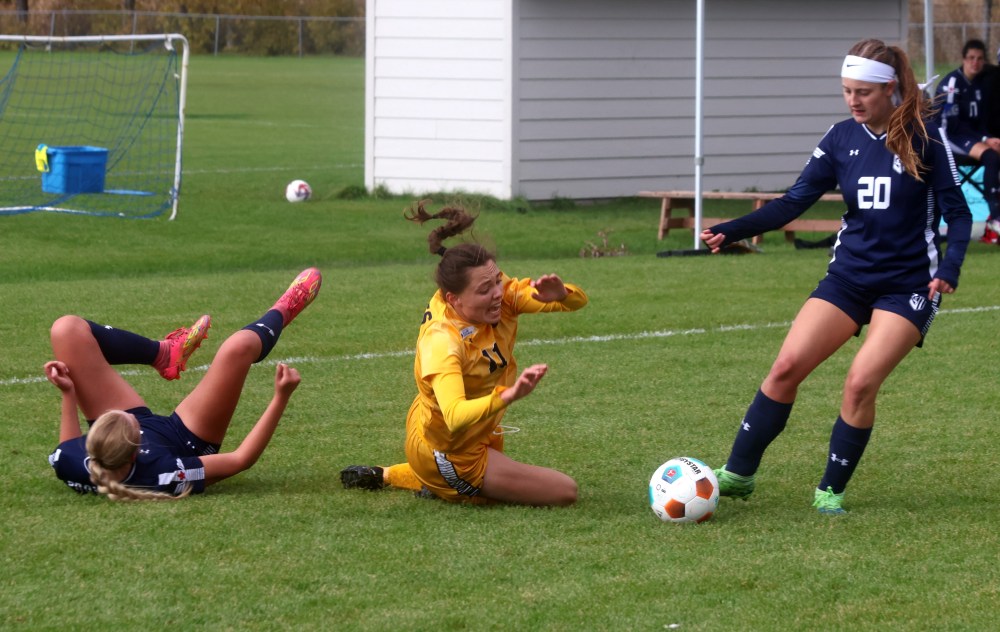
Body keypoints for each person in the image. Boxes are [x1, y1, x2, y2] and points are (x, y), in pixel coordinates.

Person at [700, 39, 972, 514]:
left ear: (890, 89)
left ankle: (830, 491)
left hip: (909, 285)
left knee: (859, 383)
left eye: (863, 91)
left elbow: (960, 214)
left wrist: (948, 269)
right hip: (847, 278)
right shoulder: (840, 138)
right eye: (847, 90)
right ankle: (739, 474)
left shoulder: (926, 139)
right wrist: (733, 229)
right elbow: (792, 202)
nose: (853, 100)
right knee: (785, 369)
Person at [340, 203, 588, 506]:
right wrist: (508, 396)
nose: (498, 292)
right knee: (564, 492)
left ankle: (386, 475)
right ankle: (429, 480)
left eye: (497, 281)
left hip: (468, 429)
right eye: (486, 289)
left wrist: (563, 294)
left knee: (506, 475)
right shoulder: (443, 341)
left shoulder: (498, 293)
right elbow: (455, 416)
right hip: (448, 450)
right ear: (453, 299)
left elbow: (576, 303)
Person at [46, 267, 322, 500]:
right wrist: (280, 397)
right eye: (128, 422)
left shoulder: (74, 462)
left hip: (118, 444)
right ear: (134, 454)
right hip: (185, 437)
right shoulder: (167, 473)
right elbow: (241, 460)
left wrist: (68, 393)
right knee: (237, 348)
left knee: (66, 329)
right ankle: (284, 308)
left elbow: (67, 447)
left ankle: (164, 353)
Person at [934, 38, 1000, 244]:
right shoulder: (953, 84)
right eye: (971, 58)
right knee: (990, 156)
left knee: (994, 153)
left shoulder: (980, 84)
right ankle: (995, 216)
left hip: (969, 137)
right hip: (947, 136)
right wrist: (984, 139)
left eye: (980, 59)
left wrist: (989, 138)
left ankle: (995, 218)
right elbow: (951, 125)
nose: (975, 63)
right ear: (963, 59)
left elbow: (980, 121)